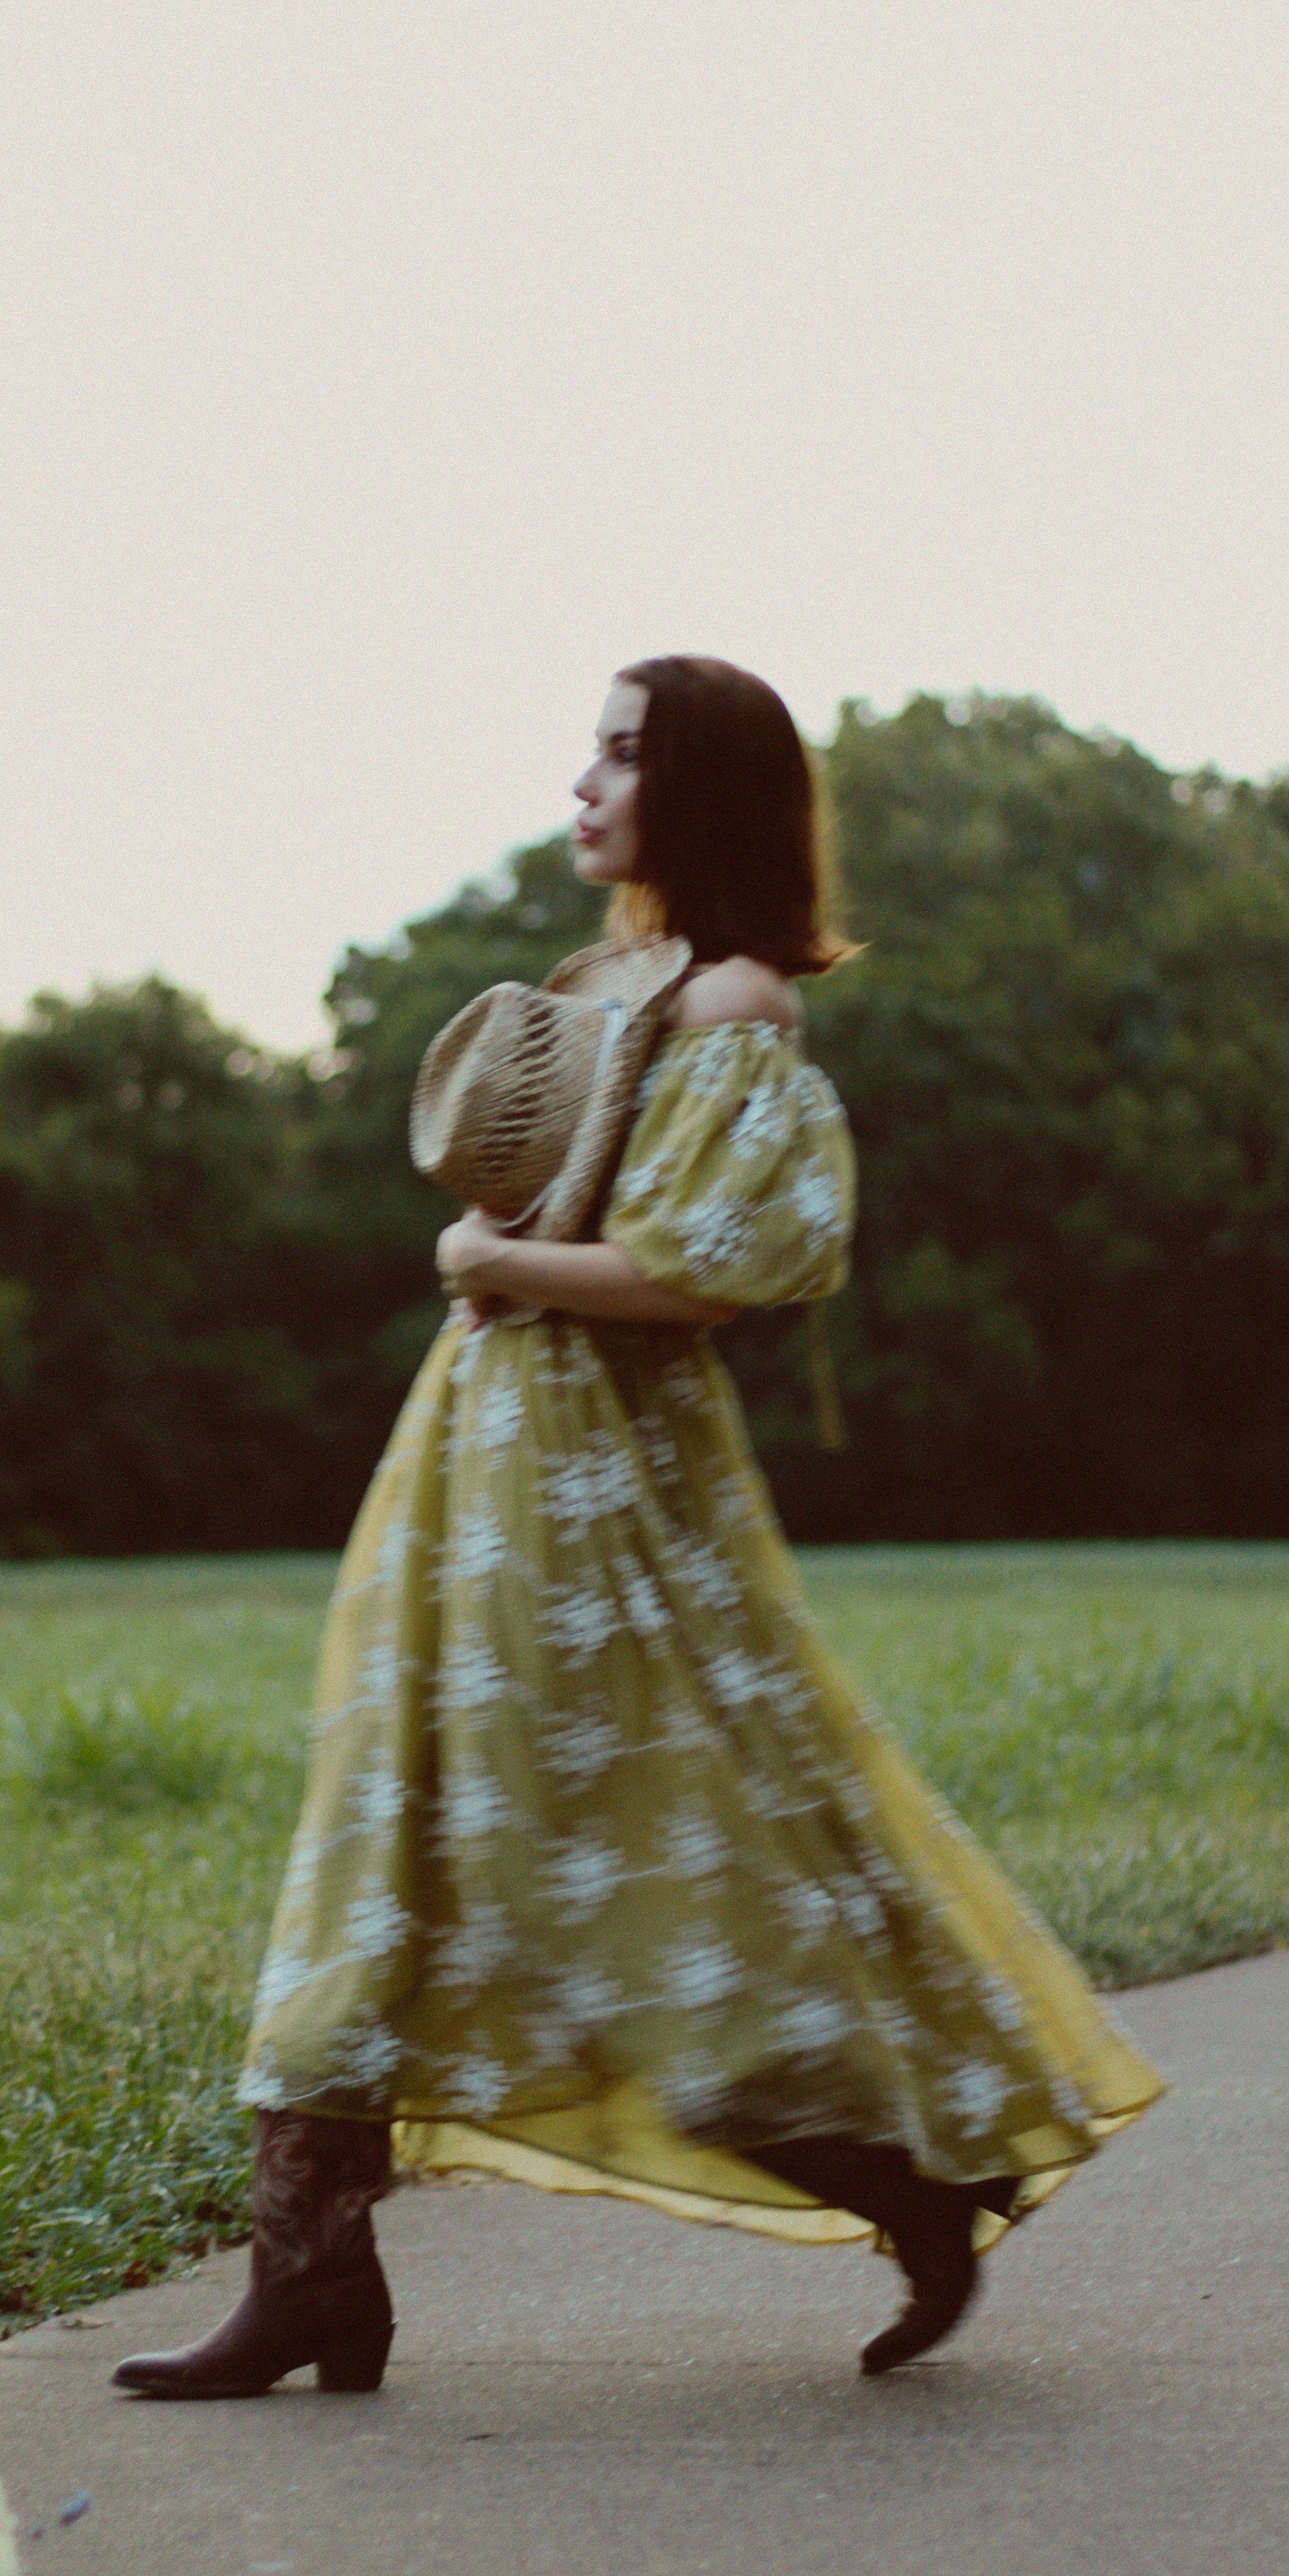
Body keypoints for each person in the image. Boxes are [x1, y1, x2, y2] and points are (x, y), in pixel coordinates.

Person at [115, 655, 1162, 2400]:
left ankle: (907, 2178)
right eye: (588, 753)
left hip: (595, 1499)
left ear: (703, 788)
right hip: (480, 1466)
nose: (582, 785)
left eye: (619, 754)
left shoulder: (737, 1006)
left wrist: (487, 1261)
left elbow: (709, 1270)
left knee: (620, 1887)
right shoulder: (621, 984)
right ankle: (311, 2275)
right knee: (381, 1834)